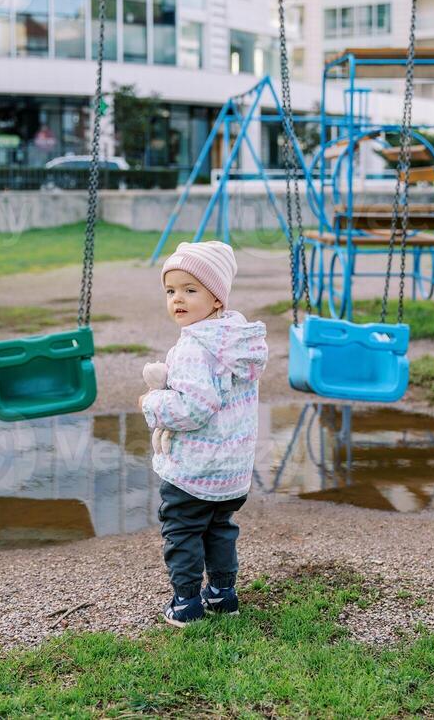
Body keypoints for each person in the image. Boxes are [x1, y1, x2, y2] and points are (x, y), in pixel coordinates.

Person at [140, 241, 268, 627]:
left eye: (190, 290)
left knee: (182, 531)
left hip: (194, 469)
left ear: (216, 298)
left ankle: (186, 603)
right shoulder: (236, 340)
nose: (178, 299)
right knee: (219, 528)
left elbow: (194, 408)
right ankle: (222, 594)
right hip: (231, 470)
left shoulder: (195, 347)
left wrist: (152, 402)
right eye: (171, 290)